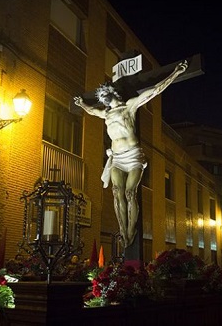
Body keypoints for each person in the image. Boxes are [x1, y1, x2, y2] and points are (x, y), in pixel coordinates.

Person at [74, 60, 188, 247]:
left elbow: (155, 91)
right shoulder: (106, 114)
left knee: (129, 192)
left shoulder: (129, 106)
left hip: (133, 156)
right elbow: (92, 111)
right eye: (101, 97)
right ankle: (123, 231)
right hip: (117, 159)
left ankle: (130, 230)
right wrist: (82, 104)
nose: (103, 99)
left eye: (104, 95)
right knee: (116, 192)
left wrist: (175, 73)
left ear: (111, 92)